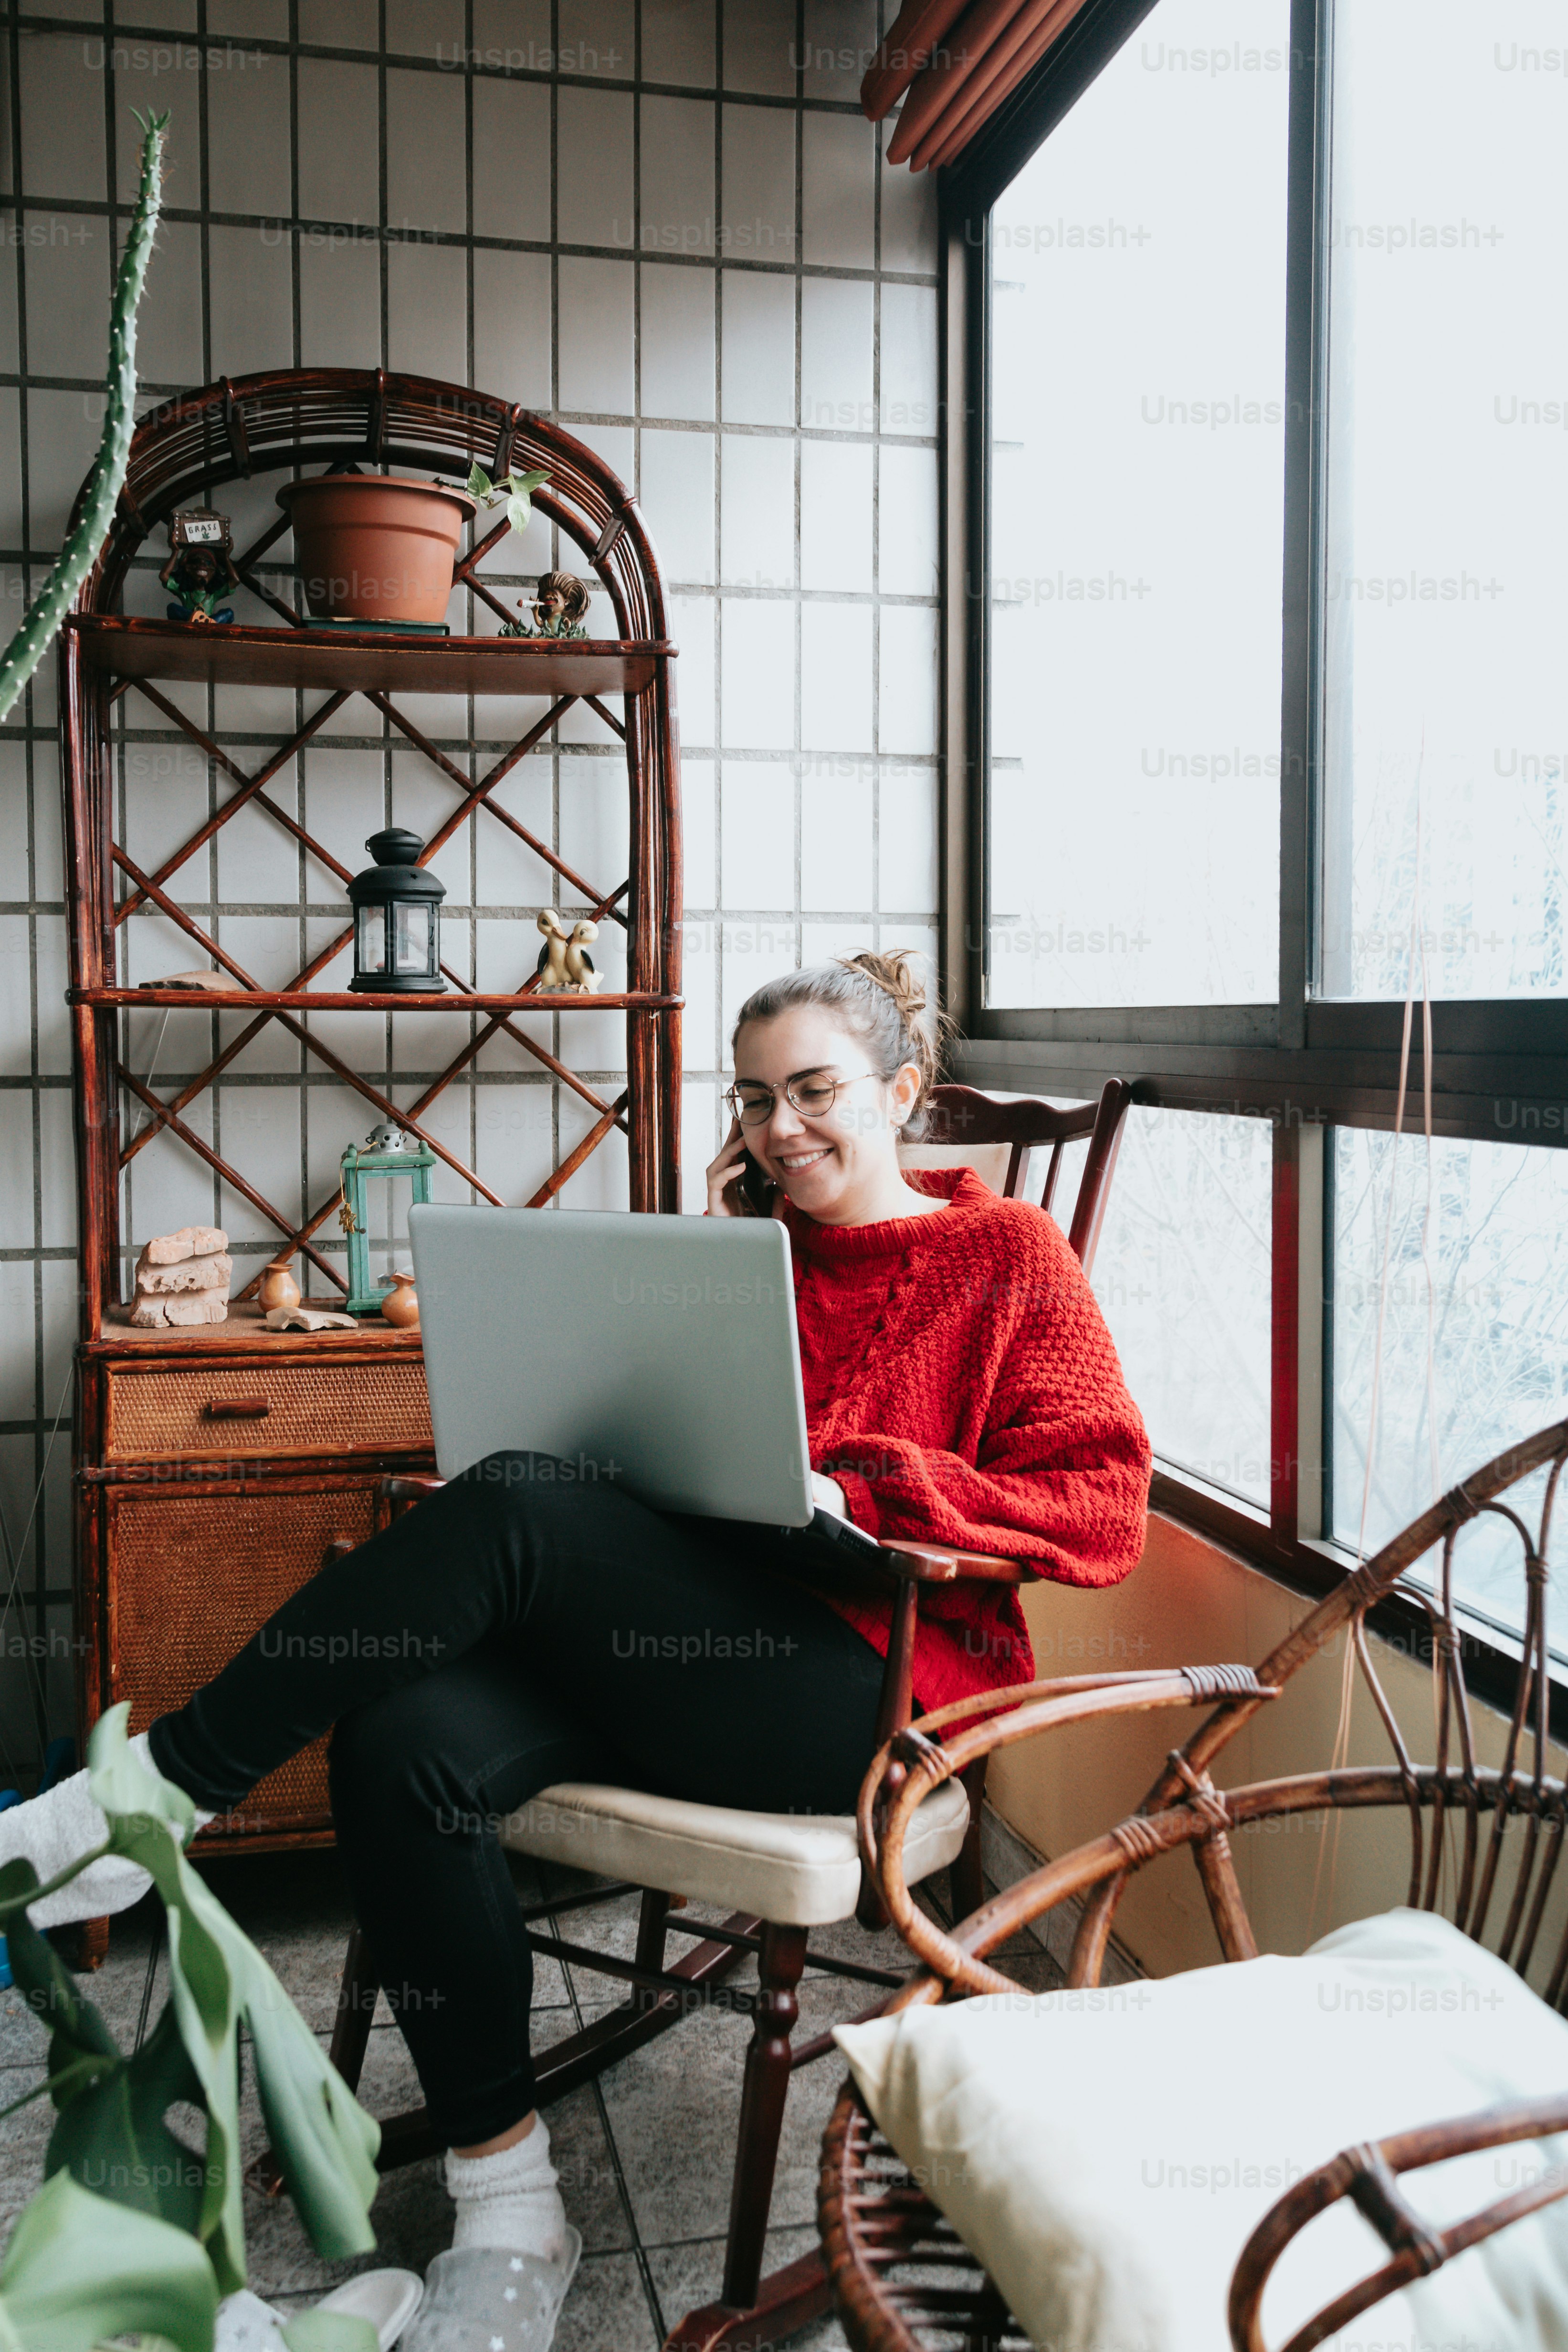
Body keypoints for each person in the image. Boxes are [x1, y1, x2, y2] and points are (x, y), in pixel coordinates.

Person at [0, 951, 1150, 2351]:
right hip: (684, 1656)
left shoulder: (1006, 1258)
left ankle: (158, 1797)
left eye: (816, 1092)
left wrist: (865, 1489)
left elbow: (1102, 1504)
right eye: (755, 1101)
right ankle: (509, 2207)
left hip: (864, 1689)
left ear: (901, 1093)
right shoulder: (739, 1258)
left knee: (515, 1510)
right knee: (401, 1735)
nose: (781, 1130)